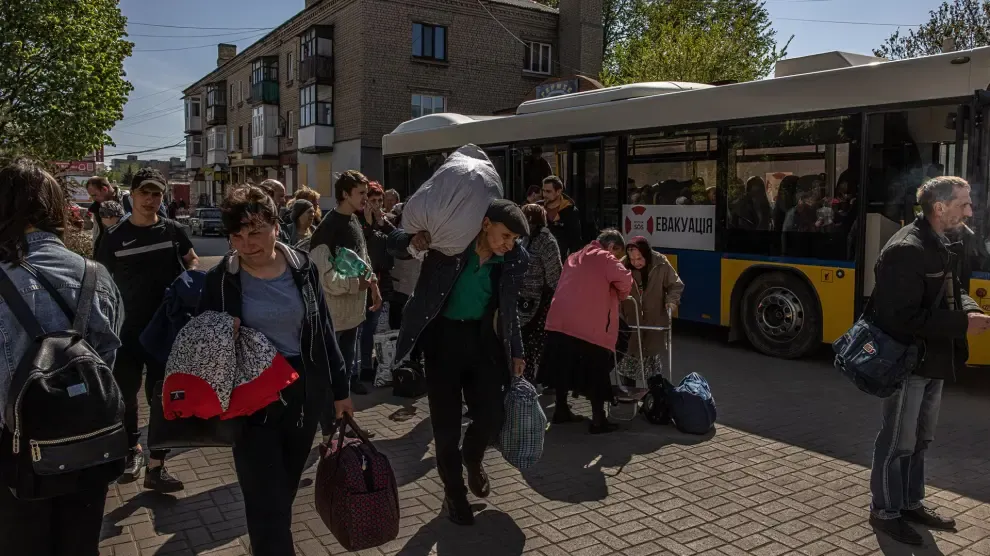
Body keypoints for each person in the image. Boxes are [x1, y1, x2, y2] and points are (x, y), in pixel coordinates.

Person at [198, 185, 352, 556]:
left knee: (282, 493)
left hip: (302, 397)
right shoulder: (221, 279)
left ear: (275, 226)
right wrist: (220, 334)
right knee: (264, 501)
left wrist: (341, 391)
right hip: (251, 402)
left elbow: (324, 331)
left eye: (254, 231)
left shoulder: (303, 269)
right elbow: (202, 344)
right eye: (237, 235)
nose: (246, 243)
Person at [0, 158, 123, 556]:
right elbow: (106, 362)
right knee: (80, 542)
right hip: (87, 441)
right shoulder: (94, 273)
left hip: (13, 446)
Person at [387, 199, 529, 526]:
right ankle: (455, 492)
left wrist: (517, 351)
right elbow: (393, 242)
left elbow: (509, 312)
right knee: (446, 427)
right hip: (442, 344)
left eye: (514, 239)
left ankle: (473, 456)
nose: (510, 245)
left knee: (493, 414)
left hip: (482, 344)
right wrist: (413, 240)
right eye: (505, 235)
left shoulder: (511, 260)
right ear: (485, 224)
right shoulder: (449, 244)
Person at [867, 176, 990, 546]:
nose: (970, 210)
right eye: (964, 203)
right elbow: (898, 318)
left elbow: (954, 289)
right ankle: (885, 510)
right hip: (908, 362)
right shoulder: (906, 248)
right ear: (939, 208)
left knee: (921, 438)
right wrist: (962, 323)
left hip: (933, 358)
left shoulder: (944, 241)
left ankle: (910, 502)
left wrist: (970, 310)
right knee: (898, 441)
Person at [96, 168, 199, 492]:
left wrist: (187, 281)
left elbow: (192, 260)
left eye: (157, 194)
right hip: (125, 332)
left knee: (161, 396)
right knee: (125, 395)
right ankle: (131, 450)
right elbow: (98, 280)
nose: (151, 200)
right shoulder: (113, 239)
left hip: (164, 331)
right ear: (132, 195)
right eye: (145, 193)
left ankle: (157, 464)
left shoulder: (173, 231)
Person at [541, 230, 632, 434]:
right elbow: (625, 283)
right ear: (612, 247)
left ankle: (561, 410)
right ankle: (599, 420)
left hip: (559, 322)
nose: (617, 258)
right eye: (618, 254)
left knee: (561, 369)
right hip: (589, 325)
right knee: (596, 371)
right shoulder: (606, 258)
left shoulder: (574, 256)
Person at [309, 171, 382, 409]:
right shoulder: (326, 230)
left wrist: (373, 286)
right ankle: (332, 430)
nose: (366, 199)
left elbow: (364, 257)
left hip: (354, 315)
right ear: (344, 194)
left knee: (346, 374)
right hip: (334, 318)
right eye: (361, 193)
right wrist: (356, 284)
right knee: (333, 377)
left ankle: (344, 426)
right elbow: (325, 277)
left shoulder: (353, 220)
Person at [619, 236, 683, 371]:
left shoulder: (660, 263)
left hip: (654, 322)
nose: (636, 262)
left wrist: (671, 301)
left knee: (652, 371)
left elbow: (675, 285)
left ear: (646, 254)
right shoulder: (622, 265)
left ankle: (652, 392)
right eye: (632, 259)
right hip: (630, 323)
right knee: (627, 370)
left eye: (639, 258)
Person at [518, 204, 561, 382]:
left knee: (531, 347)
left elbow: (554, 277)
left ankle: (529, 385)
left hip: (538, 304)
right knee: (528, 347)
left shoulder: (541, 241)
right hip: (526, 302)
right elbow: (556, 275)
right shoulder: (528, 239)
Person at [357, 182, 394, 380]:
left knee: (375, 327)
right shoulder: (359, 222)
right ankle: (363, 367)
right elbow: (365, 248)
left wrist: (382, 222)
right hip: (363, 282)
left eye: (380, 200)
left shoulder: (385, 222)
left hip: (382, 280)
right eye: (373, 201)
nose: (377, 204)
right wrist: (371, 224)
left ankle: (372, 365)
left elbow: (395, 239)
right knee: (362, 328)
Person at [84, 176, 168, 250]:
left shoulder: (129, 199)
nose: (93, 198)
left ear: (104, 189)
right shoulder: (96, 208)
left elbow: (158, 222)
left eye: (94, 195)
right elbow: (97, 233)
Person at [538, 175, 582, 257]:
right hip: (538, 260)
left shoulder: (570, 210)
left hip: (561, 259)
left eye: (548, 191)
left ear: (558, 191)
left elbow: (575, 240)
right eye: (543, 191)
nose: (544, 195)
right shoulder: (537, 208)